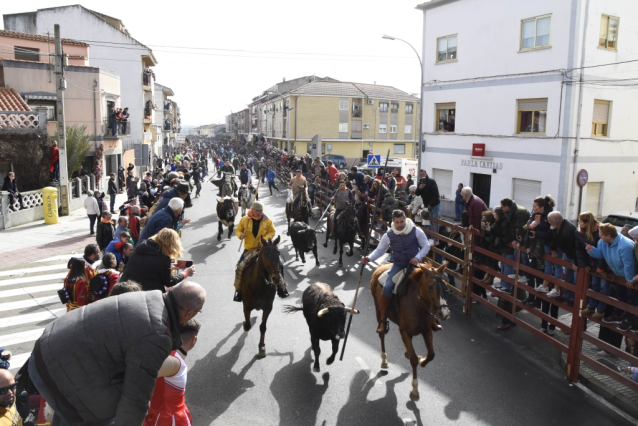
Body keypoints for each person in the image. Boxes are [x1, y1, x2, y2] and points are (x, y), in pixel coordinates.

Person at [28, 281, 205, 426]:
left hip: (46, 350)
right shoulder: (157, 334)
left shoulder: (148, 297)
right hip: (57, 370)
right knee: (106, 413)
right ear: (190, 313)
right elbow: (135, 398)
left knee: (72, 414)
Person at [361, 210, 430, 334]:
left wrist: (417, 257)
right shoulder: (389, 234)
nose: (400, 224)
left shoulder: (416, 231)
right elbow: (380, 250)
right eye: (397, 222)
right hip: (398, 265)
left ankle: (433, 317)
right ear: (393, 221)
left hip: (415, 264)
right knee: (387, 287)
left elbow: (426, 246)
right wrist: (369, 258)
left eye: (402, 221)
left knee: (432, 282)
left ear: (406, 219)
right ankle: (382, 321)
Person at [144, 319, 200, 426]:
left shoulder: (171, 354)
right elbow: (142, 372)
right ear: (194, 339)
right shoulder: (174, 361)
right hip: (168, 419)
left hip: (159, 413)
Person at [587, 223, 637, 331]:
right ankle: (617, 315)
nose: (599, 236)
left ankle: (628, 320)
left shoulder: (625, 246)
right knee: (621, 296)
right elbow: (601, 254)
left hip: (630, 277)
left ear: (609, 236)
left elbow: (629, 264)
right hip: (619, 274)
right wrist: (591, 250)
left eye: (601, 234)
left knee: (632, 299)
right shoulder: (603, 242)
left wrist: (630, 280)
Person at [233, 201, 286, 301]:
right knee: (240, 266)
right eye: (257, 210)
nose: (259, 212)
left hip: (264, 248)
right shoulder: (245, 220)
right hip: (249, 249)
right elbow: (238, 229)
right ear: (252, 209)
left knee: (281, 265)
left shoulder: (267, 221)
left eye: (261, 210)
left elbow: (272, 232)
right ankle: (239, 290)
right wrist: (240, 235)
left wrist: (265, 239)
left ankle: (281, 288)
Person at [121, 228, 194, 292]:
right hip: (144, 292)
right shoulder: (163, 257)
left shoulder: (142, 246)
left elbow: (146, 266)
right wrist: (186, 273)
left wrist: (166, 268)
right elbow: (169, 282)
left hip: (125, 286)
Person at [576, 212, 608, 320]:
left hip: (602, 265)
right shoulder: (580, 232)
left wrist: (601, 267)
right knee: (594, 285)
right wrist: (583, 264)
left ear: (587, 223)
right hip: (592, 264)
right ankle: (591, 306)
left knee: (604, 287)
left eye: (580, 221)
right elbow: (579, 249)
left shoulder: (600, 233)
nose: (578, 223)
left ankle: (600, 310)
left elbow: (604, 252)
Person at [546, 211, 577, 301]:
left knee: (575, 279)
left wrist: (576, 261)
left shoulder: (568, 231)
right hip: (568, 254)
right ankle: (566, 296)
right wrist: (552, 248)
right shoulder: (557, 227)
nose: (548, 222)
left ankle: (573, 299)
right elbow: (554, 238)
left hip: (574, 255)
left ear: (554, 222)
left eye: (549, 220)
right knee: (567, 276)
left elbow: (575, 247)